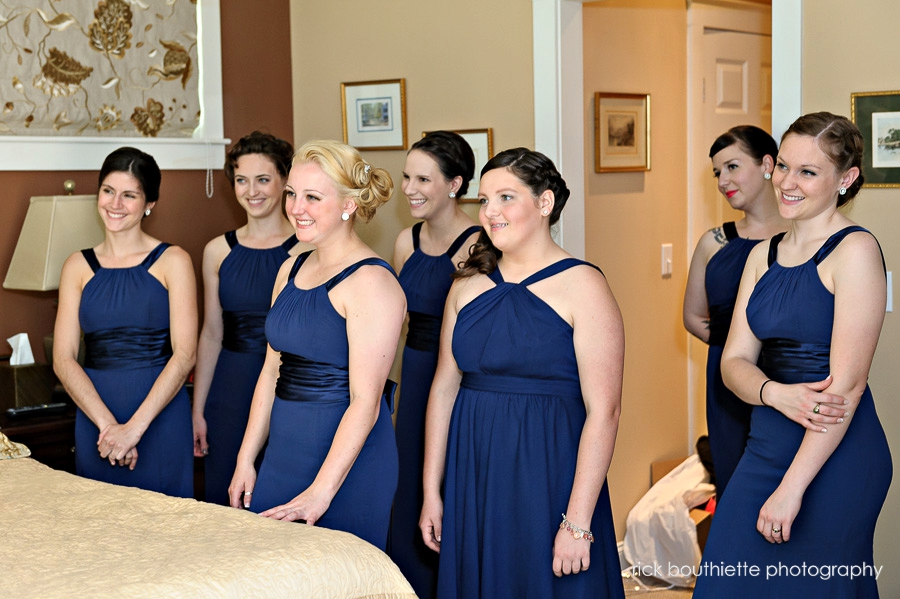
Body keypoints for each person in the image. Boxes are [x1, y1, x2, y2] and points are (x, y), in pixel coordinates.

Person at [694, 112, 892, 597]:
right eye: (783, 166)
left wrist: (791, 488)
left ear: (844, 180)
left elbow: (846, 387)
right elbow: (733, 362)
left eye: (808, 172)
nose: (786, 182)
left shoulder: (856, 251)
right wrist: (773, 394)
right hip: (764, 445)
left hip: (834, 455)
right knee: (723, 583)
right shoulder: (763, 255)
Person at [420, 148, 626, 598]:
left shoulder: (584, 286)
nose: (490, 211)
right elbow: (443, 389)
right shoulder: (464, 285)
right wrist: (432, 490)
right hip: (473, 472)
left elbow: (604, 412)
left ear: (545, 203)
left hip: (548, 474)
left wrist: (577, 521)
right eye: (484, 199)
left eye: (506, 198)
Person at [228, 140, 405, 551]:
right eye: (291, 193)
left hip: (347, 467)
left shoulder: (372, 283)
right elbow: (271, 371)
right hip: (284, 453)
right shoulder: (291, 267)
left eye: (312, 197)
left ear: (348, 205)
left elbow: (366, 400)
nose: (295, 207)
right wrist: (246, 458)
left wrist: (322, 492)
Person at [53, 146, 197, 497]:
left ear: (149, 203)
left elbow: (185, 355)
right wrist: (108, 428)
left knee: (169, 532)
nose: (115, 204)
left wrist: (134, 429)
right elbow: (63, 358)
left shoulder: (174, 261)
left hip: (159, 417)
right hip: (95, 419)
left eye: (129, 195)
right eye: (108, 191)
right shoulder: (76, 266)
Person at [191, 131, 309, 505]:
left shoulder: (307, 249)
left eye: (263, 179)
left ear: (285, 182)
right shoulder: (216, 251)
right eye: (242, 180)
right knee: (224, 502)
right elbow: (211, 333)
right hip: (229, 387)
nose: (252, 191)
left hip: (288, 388)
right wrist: (198, 408)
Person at [389, 131, 481, 597]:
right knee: (407, 491)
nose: (409, 188)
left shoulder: (478, 245)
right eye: (407, 176)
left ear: (454, 184)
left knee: (449, 489)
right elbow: (396, 324)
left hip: (458, 388)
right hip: (413, 380)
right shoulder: (406, 240)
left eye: (423, 178)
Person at [683, 125, 787, 497]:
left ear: (767, 164)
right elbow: (693, 317)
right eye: (717, 172)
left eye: (731, 166)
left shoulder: (801, 237)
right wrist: (734, 347)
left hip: (787, 376)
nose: (722, 180)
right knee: (735, 483)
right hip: (726, 381)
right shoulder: (713, 242)